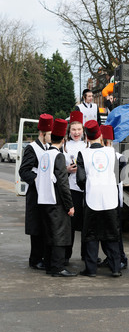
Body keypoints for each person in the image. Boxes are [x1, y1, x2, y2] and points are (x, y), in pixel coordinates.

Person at [76, 120, 122, 278]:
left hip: (92, 198)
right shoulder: (111, 152)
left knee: (91, 234)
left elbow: (80, 179)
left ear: (87, 137)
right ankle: (115, 268)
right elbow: (122, 165)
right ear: (100, 135)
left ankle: (91, 269)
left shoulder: (83, 153)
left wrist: (87, 186)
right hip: (110, 197)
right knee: (112, 233)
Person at [36, 119, 76, 277]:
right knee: (60, 235)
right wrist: (69, 205)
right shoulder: (58, 156)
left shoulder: (45, 154)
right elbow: (63, 183)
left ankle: (50, 266)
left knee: (49, 234)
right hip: (56, 201)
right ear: (63, 139)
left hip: (44, 199)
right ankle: (58, 267)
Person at [19, 113, 53, 271]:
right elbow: (24, 171)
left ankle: (45, 257)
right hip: (35, 194)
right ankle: (35, 259)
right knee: (37, 228)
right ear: (42, 133)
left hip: (47, 193)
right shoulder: (32, 148)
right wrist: (39, 179)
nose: (52, 136)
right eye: (50, 134)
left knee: (45, 226)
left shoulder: (48, 147)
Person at [100, 124, 128, 270]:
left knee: (114, 231)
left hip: (113, 198)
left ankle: (121, 257)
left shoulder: (119, 158)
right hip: (107, 197)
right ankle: (110, 257)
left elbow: (117, 178)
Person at [63, 111, 86, 264]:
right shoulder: (64, 146)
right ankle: (66, 256)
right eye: (73, 129)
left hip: (86, 190)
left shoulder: (88, 145)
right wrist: (68, 170)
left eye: (79, 129)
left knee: (86, 226)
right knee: (69, 226)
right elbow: (57, 169)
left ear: (83, 130)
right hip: (71, 190)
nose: (76, 133)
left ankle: (87, 256)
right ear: (69, 131)